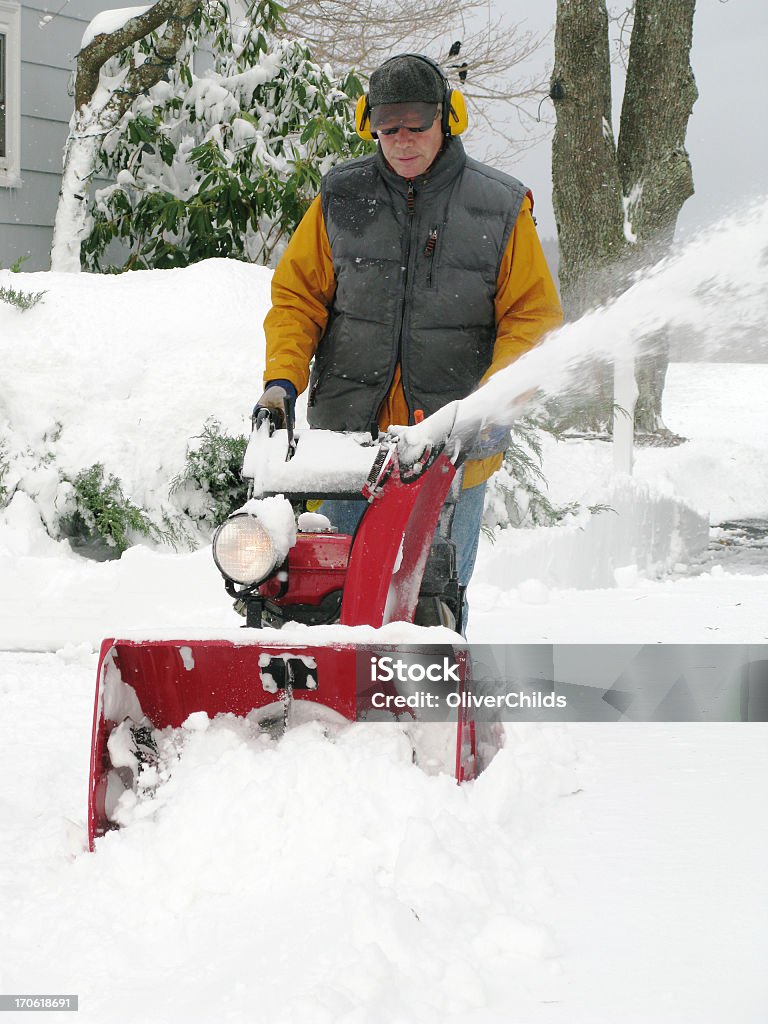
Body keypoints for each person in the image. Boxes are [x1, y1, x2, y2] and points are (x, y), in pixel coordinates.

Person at [256, 53, 562, 627]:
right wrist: (281, 382)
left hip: (450, 450)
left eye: (416, 123)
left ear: (449, 117)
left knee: (431, 604)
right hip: (347, 447)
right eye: (387, 125)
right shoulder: (339, 199)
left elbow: (532, 319)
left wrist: (488, 403)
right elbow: (298, 300)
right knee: (327, 598)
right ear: (367, 122)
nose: (401, 139)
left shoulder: (498, 206)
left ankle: (426, 714)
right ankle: (324, 714)